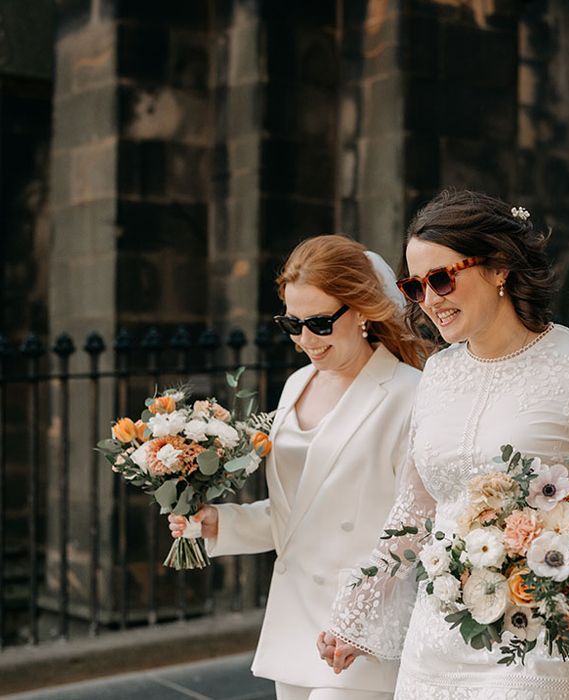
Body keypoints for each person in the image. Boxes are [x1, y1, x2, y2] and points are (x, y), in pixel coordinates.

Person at [322, 190, 569, 699]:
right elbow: (415, 512)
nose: (430, 300)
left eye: (442, 278)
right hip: (438, 640)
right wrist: (354, 614)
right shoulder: (438, 373)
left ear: (499, 268)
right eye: (415, 286)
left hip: (547, 641)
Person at [168, 235, 429, 700]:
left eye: (320, 323)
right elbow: (299, 512)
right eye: (292, 322)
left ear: (364, 309)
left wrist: (359, 619)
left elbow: (416, 526)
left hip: (363, 630)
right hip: (294, 623)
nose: (305, 339)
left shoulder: (410, 393)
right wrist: (220, 523)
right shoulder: (296, 384)